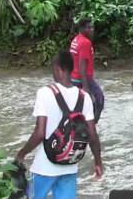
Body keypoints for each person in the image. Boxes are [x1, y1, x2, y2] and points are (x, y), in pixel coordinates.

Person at [15, 51, 103, 199]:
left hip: (44, 167)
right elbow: (92, 135)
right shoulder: (84, 97)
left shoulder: (45, 93)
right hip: (69, 166)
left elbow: (40, 133)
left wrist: (22, 153)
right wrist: (98, 162)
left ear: (58, 68)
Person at [70, 20, 104, 123]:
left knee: (78, 106)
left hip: (73, 78)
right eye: (89, 28)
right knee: (99, 100)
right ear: (82, 29)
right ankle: (92, 126)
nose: (92, 30)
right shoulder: (85, 43)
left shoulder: (76, 39)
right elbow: (82, 66)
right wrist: (85, 87)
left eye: (92, 27)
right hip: (83, 78)